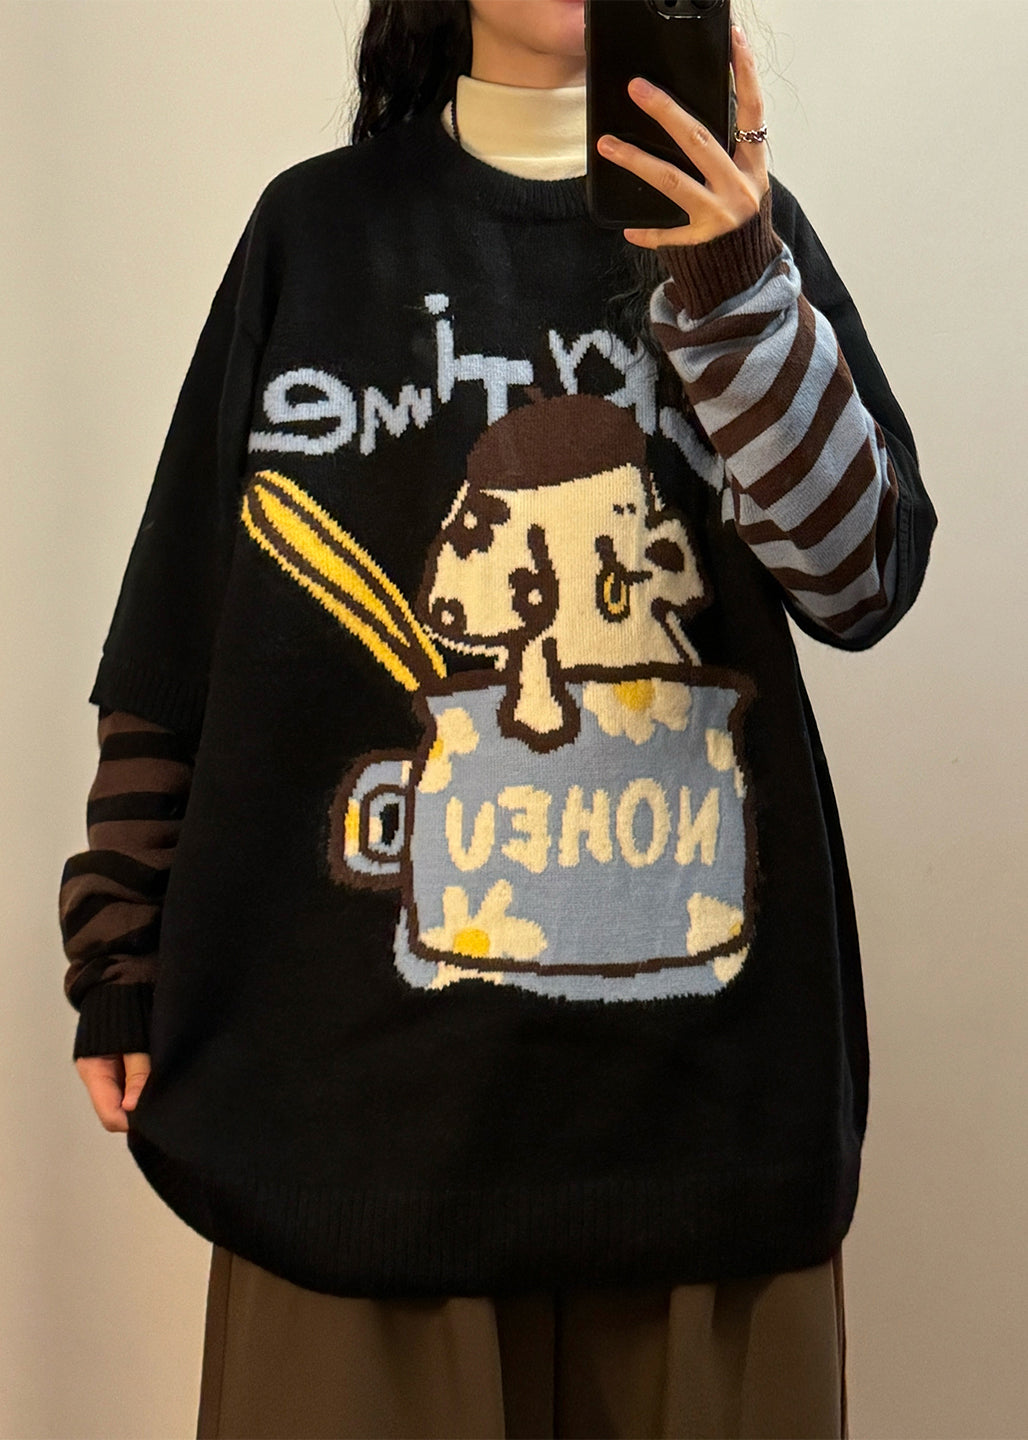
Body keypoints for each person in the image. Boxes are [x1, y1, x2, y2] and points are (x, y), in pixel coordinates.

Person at [60, 1, 936, 1435]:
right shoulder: (314, 234)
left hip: (703, 1126)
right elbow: (177, 625)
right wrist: (118, 942)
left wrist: (731, 275)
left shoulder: (736, 233)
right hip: (351, 1133)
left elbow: (862, 577)